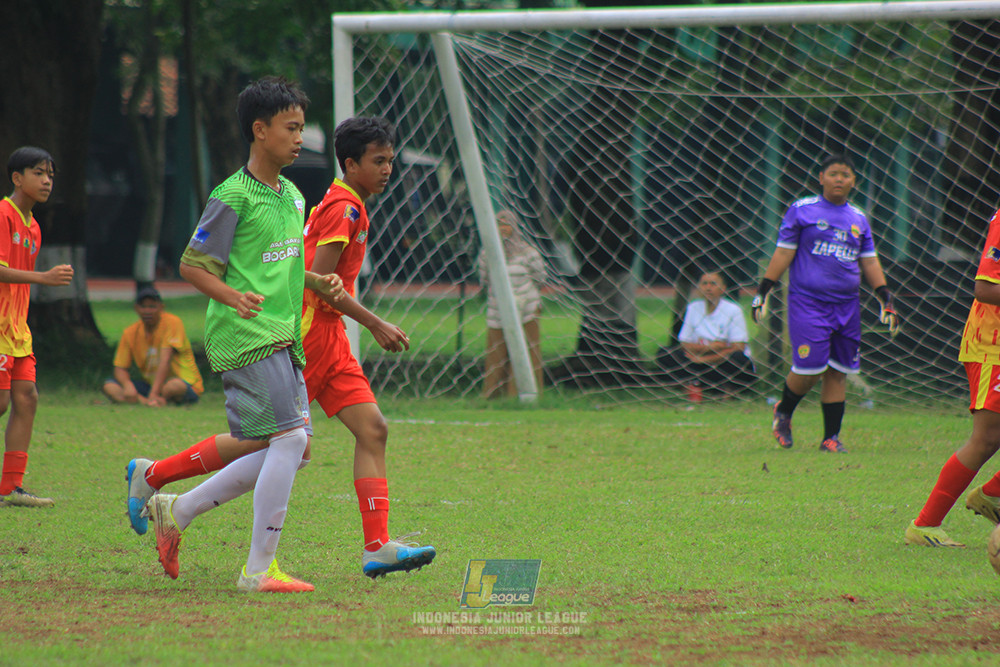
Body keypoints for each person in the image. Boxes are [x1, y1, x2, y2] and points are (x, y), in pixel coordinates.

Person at [126, 115, 436, 580]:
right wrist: (375, 324)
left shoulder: (327, 200)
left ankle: (376, 546)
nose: (388, 169)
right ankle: (161, 483)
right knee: (280, 442)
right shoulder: (342, 209)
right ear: (351, 164)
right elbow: (322, 285)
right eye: (379, 161)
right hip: (310, 335)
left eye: (390, 160)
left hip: (330, 340)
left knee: (371, 430)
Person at [140, 76, 343, 593]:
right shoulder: (232, 196)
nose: (300, 138)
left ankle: (176, 510)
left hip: (282, 335)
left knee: (291, 448)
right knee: (290, 439)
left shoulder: (294, 195)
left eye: (302, 128)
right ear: (260, 130)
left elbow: (285, 265)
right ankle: (258, 570)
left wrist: (320, 280)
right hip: (246, 336)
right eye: (291, 128)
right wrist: (233, 296)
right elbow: (192, 265)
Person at [751, 154, 899, 454]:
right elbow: (783, 253)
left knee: (838, 371)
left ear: (854, 181)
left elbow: (869, 261)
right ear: (821, 178)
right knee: (810, 368)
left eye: (845, 174)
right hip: (808, 303)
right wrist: (764, 290)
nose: (839, 179)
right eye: (833, 173)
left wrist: (886, 297)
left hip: (847, 306)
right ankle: (784, 411)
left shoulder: (858, 218)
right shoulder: (802, 210)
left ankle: (830, 437)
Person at [904, 206, 1000, 547]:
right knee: (987, 438)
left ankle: (992, 494)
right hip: (992, 345)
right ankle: (925, 525)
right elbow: (985, 289)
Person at [0, 147, 74, 507]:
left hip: (17, 331)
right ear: (17, 178)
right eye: (38, 173)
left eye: (50, 175)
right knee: (1, 403)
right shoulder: (3, 215)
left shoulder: (33, 227)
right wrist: (43, 277)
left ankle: (10, 488)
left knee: (26, 397)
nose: (47, 181)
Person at [478, 209, 546, 399]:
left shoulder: (529, 253)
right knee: (496, 353)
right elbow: (484, 280)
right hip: (497, 310)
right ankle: (493, 395)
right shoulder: (487, 254)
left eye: (507, 225)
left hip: (527, 309)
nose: (503, 229)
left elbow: (540, 277)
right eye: (499, 225)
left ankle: (526, 394)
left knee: (528, 351)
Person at [655, 270, 756, 396]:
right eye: (704, 284)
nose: (708, 288)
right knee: (665, 353)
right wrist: (709, 348)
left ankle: (718, 387)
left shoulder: (733, 310)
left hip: (721, 362)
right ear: (698, 288)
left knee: (739, 359)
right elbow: (684, 343)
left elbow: (738, 347)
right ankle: (698, 386)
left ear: (723, 288)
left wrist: (704, 359)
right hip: (698, 358)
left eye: (713, 284)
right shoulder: (693, 307)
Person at [101, 286, 204, 406]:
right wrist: (127, 385)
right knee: (109, 386)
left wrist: (153, 393)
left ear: (161, 307)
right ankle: (149, 402)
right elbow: (120, 368)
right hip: (150, 385)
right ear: (136, 308)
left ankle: (152, 399)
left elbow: (165, 360)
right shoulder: (130, 332)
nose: (147, 311)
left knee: (174, 386)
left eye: (152, 306)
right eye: (143, 307)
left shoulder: (172, 323)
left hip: (181, 383)